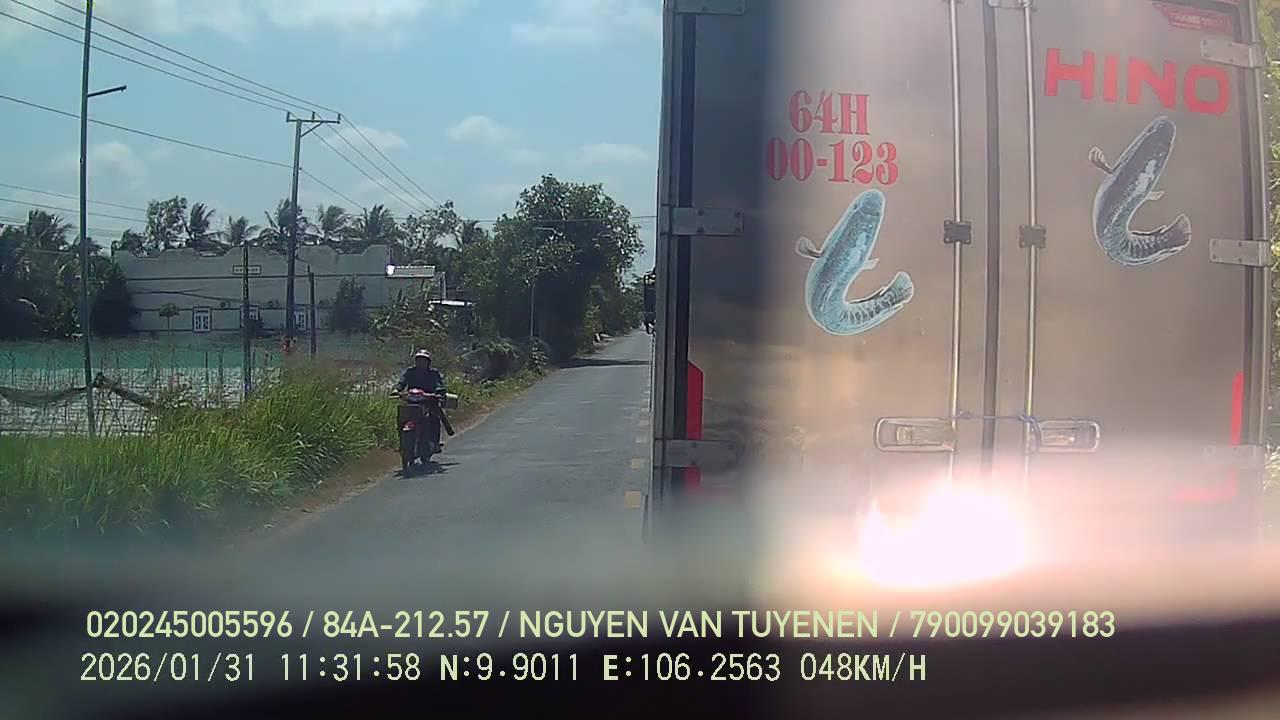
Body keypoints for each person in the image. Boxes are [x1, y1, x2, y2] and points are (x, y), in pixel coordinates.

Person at [396, 350, 448, 452]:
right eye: (419, 360)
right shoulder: (410, 372)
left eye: (424, 360)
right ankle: (402, 442)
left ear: (428, 362)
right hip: (412, 401)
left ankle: (435, 442)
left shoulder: (433, 373)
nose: (421, 363)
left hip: (429, 401)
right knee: (401, 417)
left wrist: (437, 392)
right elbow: (402, 382)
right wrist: (397, 390)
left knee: (434, 417)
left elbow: (439, 385)